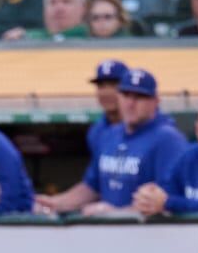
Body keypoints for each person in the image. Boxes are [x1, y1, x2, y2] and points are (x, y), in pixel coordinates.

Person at [34, 68, 188, 216]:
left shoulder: (168, 140)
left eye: (139, 97)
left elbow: (165, 203)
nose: (131, 103)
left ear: (155, 101)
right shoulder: (109, 134)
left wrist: (116, 214)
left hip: (149, 234)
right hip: (110, 232)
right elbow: (92, 186)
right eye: (126, 95)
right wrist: (56, 203)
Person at [2, 0, 87, 40]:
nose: (58, 8)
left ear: (82, 8)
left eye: (66, 1)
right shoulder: (27, 38)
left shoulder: (96, 37)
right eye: (52, 2)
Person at [86, 60, 127, 156]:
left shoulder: (150, 130)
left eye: (114, 85)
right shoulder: (96, 132)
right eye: (101, 86)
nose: (107, 92)